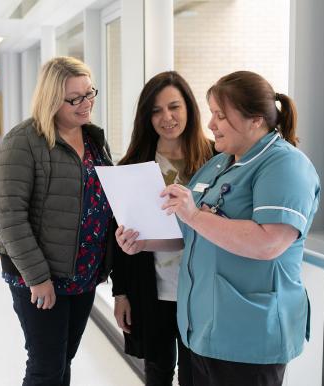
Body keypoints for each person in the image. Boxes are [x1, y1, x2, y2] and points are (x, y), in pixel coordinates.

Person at [125, 70, 318, 386]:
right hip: (202, 330)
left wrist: (195, 216)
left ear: (254, 120)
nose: (211, 124)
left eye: (220, 116)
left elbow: (268, 243)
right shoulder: (219, 163)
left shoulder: (285, 165)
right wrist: (142, 243)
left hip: (248, 336)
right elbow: (190, 233)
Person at [0, 56, 114, 386]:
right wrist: (38, 277)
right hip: (42, 276)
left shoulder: (93, 139)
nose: (86, 104)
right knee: (46, 366)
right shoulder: (23, 142)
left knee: (64, 360)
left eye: (90, 93)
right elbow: (9, 217)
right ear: (51, 99)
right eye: (75, 98)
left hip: (84, 272)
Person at [110, 71, 213, 386]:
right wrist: (121, 293)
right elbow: (121, 237)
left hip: (202, 289)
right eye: (156, 111)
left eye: (174, 107)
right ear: (146, 117)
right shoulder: (133, 164)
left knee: (196, 375)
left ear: (189, 109)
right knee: (157, 371)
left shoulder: (216, 159)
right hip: (152, 288)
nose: (166, 117)